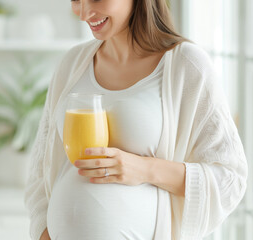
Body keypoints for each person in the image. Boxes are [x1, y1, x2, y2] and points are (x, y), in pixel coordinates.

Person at [24, 0, 248, 239]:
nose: (84, 13)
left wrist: (144, 169)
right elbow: (41, 169)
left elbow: (229, 179)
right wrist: (44, 233)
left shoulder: (187, 65)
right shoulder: (71, 64)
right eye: (76, 0)